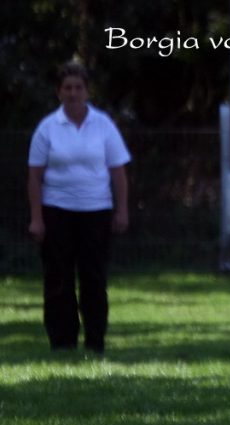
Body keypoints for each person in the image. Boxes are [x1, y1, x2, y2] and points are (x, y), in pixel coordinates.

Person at [27, 61, 131, 355]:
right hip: (57, 211)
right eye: (67, 88)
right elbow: (34, 176)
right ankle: (62, 342)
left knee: (94, 278)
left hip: (96, 211)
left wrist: (121, 210)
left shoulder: (104, 125)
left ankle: (95, 341)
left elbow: (118, 171)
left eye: (78, 88)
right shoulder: (47, 128)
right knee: (58, 277)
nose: (73, 93)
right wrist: (37, 218)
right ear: (59, 92)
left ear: (87, 91)